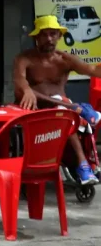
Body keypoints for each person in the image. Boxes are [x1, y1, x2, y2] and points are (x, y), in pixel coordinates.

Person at [13, 15, 101, 185]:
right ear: (36, 37)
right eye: (44, 35)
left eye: (53, 34)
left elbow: (90, 69)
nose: (49, 39)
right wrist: (26, 90)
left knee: (64, 116)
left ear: (59, 37)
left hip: (61, 113)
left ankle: (84, 164)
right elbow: (20, 80)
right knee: (63, 113)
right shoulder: (24, 59)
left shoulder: (65, 60)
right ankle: (77, 108)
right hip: (34, 110)